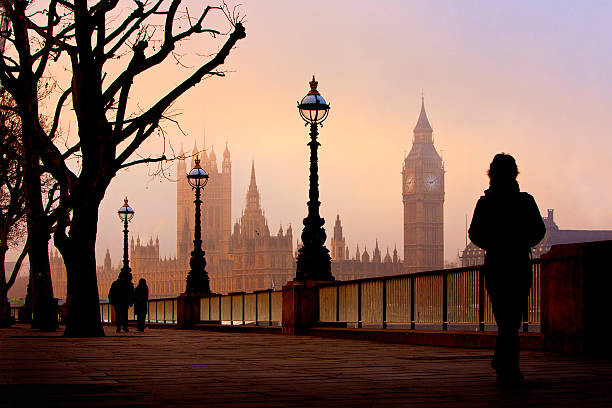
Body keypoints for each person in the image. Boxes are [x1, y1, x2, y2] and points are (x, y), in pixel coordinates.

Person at [468, 153, 545, 386]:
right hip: (519, 265)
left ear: (491, 174)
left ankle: (505, 366)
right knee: (512, 321)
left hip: (497, 266)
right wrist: (522, 242)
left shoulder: (485, 203)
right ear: (515, 174)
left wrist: (493, 244)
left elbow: (474, 234)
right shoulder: (525, 201)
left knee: (505, 320)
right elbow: (539, 231)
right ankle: (508, 367)